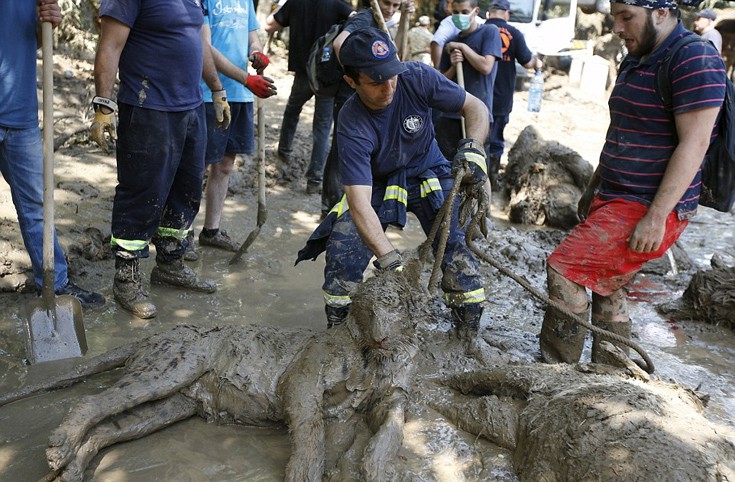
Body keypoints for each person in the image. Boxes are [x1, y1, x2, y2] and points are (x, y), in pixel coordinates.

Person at [539, 0, 726, 366]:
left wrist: (656, 217)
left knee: (563, 271)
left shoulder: (693, 58)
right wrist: (595, 186)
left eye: (627, 18)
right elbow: (621, 129)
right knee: (608, 285)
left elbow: (696, 143)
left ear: (661, 12)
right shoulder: (637, 57)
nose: (618, 29)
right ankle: (610, 374)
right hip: (615, 195)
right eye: (615, 18)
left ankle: (555, 372)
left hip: (648, 203)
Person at [296, 27, 489, 335]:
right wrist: (390, 260)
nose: (388, 87)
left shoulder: (417, 77)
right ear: (351, 82)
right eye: (375, 81)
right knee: (343, 248)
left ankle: (467, 331)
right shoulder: (351, 122)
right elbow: (359, 202)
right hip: (377, 182)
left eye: (391, 75)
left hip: (429, 169)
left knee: (455, 241)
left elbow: (475, 107)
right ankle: (339, 331)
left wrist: (474, 149)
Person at [91, 0, 231, 319]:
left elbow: (198, 43)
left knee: (187, 190)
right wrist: (103, 105)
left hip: (191, 108)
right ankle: (126, 278)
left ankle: (170, 264)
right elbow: (110, 45)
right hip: (147, 108)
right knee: (143, 192)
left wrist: (217, 89)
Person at [0, 1, 104, 307]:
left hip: (21, 117)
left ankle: (55, 284)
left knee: (36, 204)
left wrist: (47, 22)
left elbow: (30, 38)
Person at [188, 0, 278, 261]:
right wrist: (247, 78)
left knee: (225, 165)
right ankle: (182, 234)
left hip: (242, 94)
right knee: (198, 166)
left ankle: (211, 230)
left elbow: (253, 38)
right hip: (209, 92)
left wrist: (257, 53)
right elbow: (205, 47)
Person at [321, 0, 410, 218]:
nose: (390, 9)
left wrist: (405, 18)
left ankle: (361, 201)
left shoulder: (384, 23)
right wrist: (360, 76)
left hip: (376, 93)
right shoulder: (363, 18)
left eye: (396, 5)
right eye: (387, 3)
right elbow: (338, 43)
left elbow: (398, 51)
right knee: (344, 145)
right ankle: (331, 204)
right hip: (354, 92)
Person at [265, 0, 354, 196]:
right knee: (322, 127)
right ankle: (314, 179)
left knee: (292, 110)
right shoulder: (339, 5)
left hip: (303, 72)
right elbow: (357, 23)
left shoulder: (296, 2)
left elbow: (269, 25)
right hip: (327, 76)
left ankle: (284, 153)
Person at [484, 0, 541, 189]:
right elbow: (527, 62)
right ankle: (491, 180)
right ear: (506, 13)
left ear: (489, 13)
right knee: (496, 138)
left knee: (474, 135)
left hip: (478, 94)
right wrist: (536, 61)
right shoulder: (514, 33)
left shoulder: (479, 29)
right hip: (502, 97)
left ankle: (475, 178)